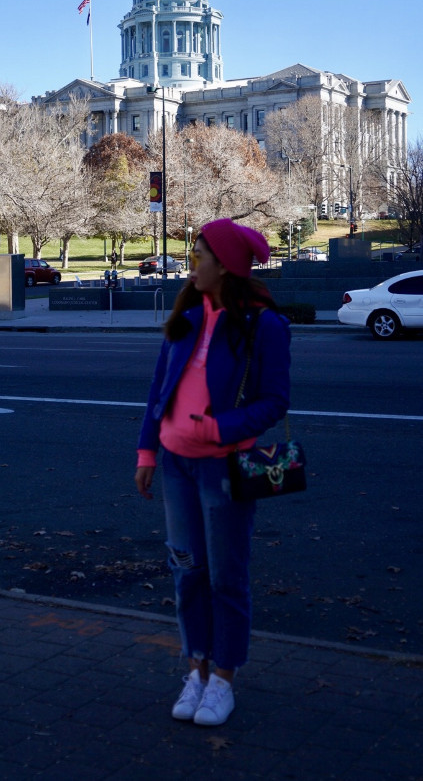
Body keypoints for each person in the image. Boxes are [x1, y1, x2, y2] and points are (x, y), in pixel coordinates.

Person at [135, 218, 290, 727]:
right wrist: (147, 454)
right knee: (187, 573)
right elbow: (159, 391)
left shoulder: (264, 324)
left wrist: (219, 427)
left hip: (224, 468)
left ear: (224, 265)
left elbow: (274, 402)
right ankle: (196, 669)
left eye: (198, 253)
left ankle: (224, 678)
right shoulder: (185, 317)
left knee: (226, 577)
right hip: (176, 466)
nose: (190, 261)